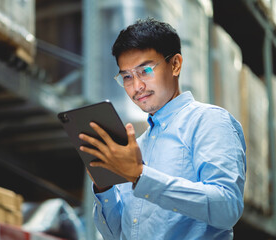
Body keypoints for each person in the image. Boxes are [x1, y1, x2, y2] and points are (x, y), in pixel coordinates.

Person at [78, 17, 246, 240]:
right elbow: (117, 234)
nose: (137, 87)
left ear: (175, 64)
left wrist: (140, 176)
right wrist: (104, 187)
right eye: (127, 76)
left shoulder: (209, 121)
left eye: (145, 70)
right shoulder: (136, 147)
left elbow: (227, 208)